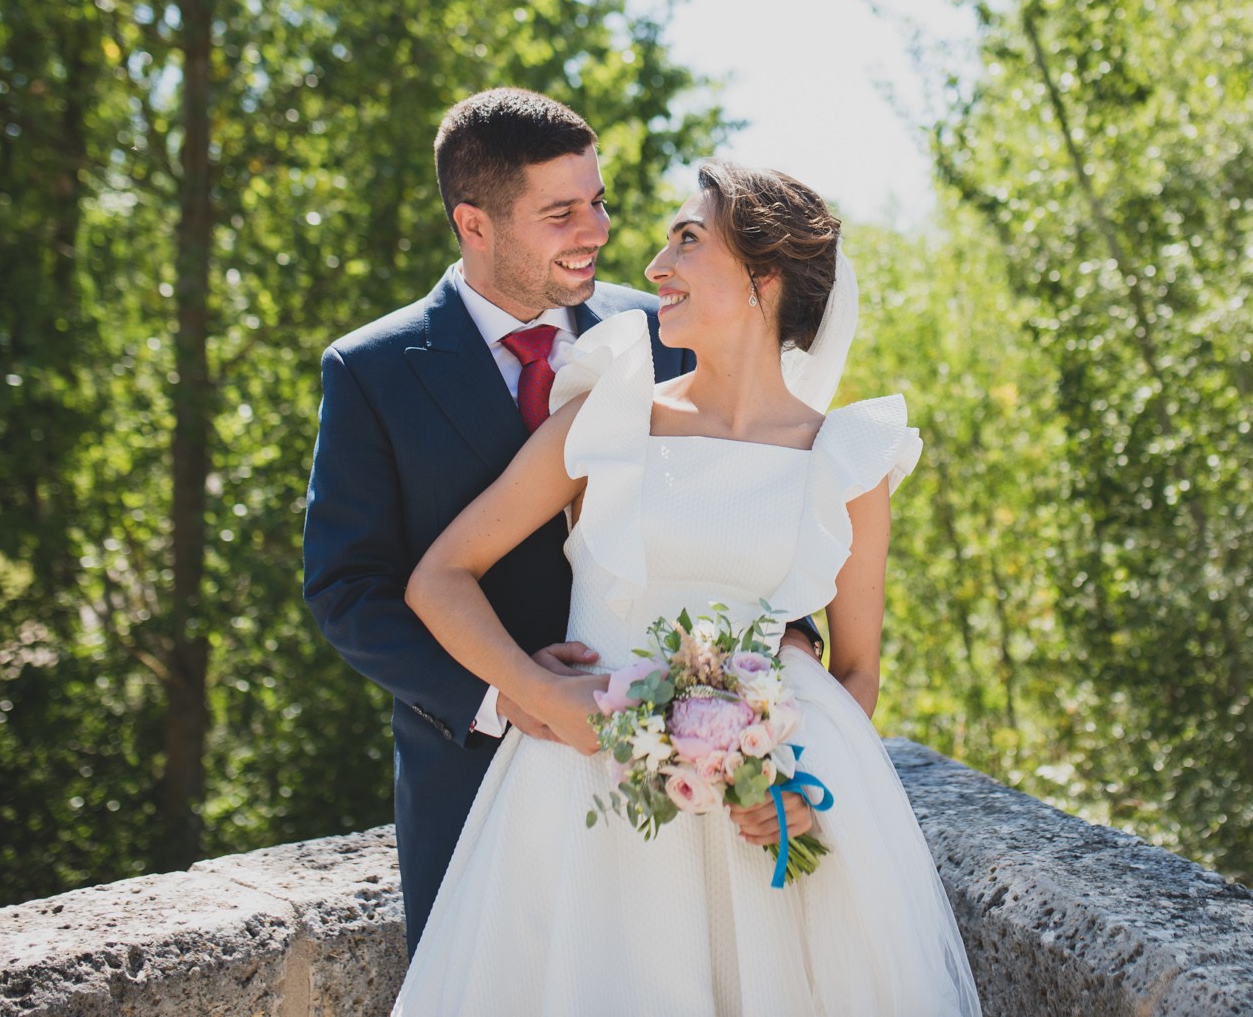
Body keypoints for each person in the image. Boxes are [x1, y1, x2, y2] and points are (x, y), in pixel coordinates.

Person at [391, 161, 981, 1015]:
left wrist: (806, 796)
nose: (656, 264)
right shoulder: (610, 419)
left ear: (763, 275)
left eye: (688, 239)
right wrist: (538, 693)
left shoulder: (847, 462)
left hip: (755, 830)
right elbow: (438, 578)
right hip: (581, 807)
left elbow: (853, 673)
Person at [301, 89, 821, 956]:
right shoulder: (374, 371)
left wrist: (774, 671)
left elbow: (752, 489)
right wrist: (515, 694)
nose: (599, 229)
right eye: (561, 212)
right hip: (472, 778)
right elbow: (348, 589)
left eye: (599, 199)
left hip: (692, 775)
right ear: (475, 223)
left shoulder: (667, 327)